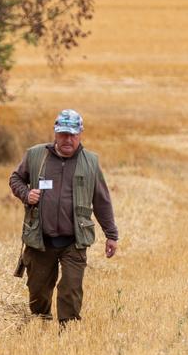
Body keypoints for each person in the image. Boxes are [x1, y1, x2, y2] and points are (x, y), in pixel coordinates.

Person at [8, 109, 119, 324]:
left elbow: (102, 201)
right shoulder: (35, 155)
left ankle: (68, 332)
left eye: (72, 135)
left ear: (80, 134)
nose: (67, 139)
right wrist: (26, 194)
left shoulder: (91, 163)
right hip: (41, 239)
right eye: (63, 134)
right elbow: (15, 179)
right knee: (38, 291)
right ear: (55, 133)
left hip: (74, 241)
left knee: (70, 290)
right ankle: (41, 324)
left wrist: (111, 235)